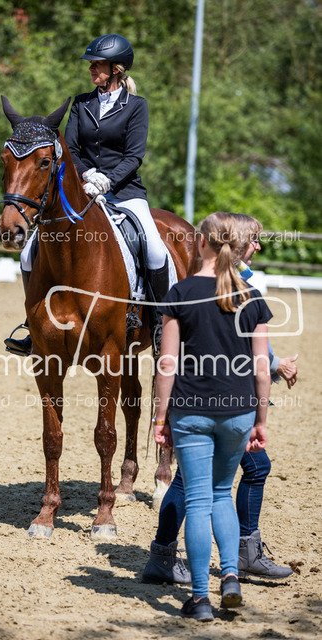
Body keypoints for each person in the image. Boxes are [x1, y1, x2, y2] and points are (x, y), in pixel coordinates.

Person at [142, 213, 297, 592]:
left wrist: (161, 417)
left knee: (192, 484)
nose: (258, 246)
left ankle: (178, 569)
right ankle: (236, 562)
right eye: (254, 240)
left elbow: (170, 361)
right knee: (226, 482)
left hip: (193, 406)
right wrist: (262, 414)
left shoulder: (189, 292)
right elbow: (255, 360)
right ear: (237, 245)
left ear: (202, 242)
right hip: (235, 408)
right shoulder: (248, 293)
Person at [5, 34, 169, 357]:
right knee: (27, 255)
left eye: (98, 64)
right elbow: (70, 150)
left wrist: (108, 180)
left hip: (125, 193)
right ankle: (32, 326)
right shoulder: (81, 104)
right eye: (91, 64)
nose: (92, 69)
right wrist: (86, 175)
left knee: (154, 249)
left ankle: (161, 324)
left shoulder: (136, 106)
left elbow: (134, 156)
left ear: (117, 68)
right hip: (82, 192)